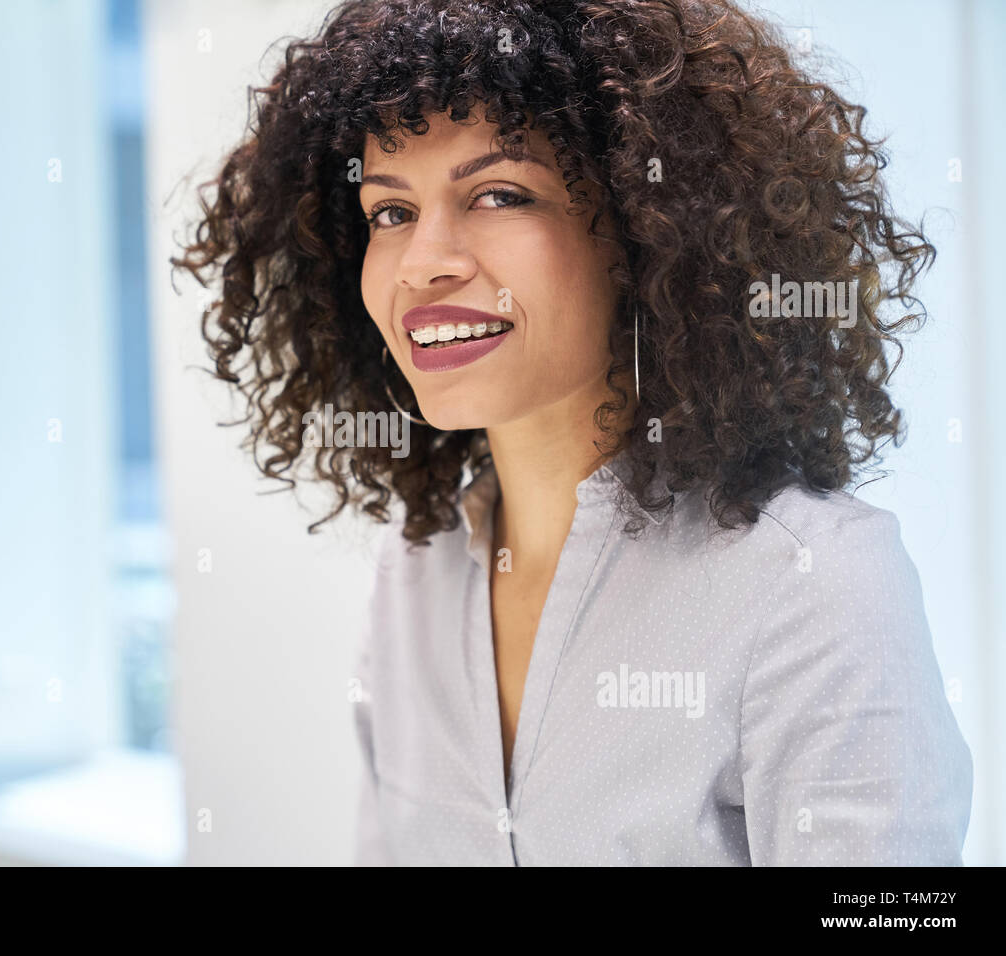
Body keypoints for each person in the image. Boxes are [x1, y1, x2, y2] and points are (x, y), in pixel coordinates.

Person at [172, 0, 973, 865]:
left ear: (648, 230)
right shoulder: (415, 573)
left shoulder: (812, 585)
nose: (423, 263)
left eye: (499, 195)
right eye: (390, 212)